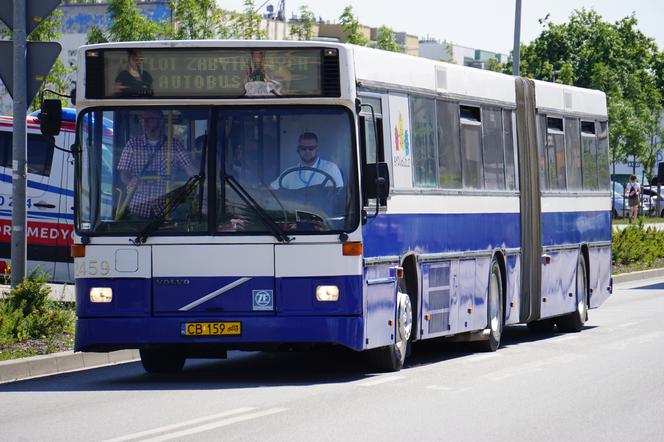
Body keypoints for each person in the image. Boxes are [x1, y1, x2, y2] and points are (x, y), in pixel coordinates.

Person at [117, 110, 197, 219]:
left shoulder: (174, 145)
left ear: (160, 122)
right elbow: (124, 173)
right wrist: (130, 181)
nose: (144, 122)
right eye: (142, 119)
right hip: (138, 206)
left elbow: (190, 170)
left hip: (166, 207)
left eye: (149, 119)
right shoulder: (132, 144)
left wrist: (196, 182)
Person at [271, 132, 343, 190]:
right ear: (298, 150)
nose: (307, 151)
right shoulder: (289, 173)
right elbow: (271, 190)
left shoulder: (331, 169)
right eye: (303, 148)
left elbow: (339, 195)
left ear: (317, 150)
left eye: (311, 148)